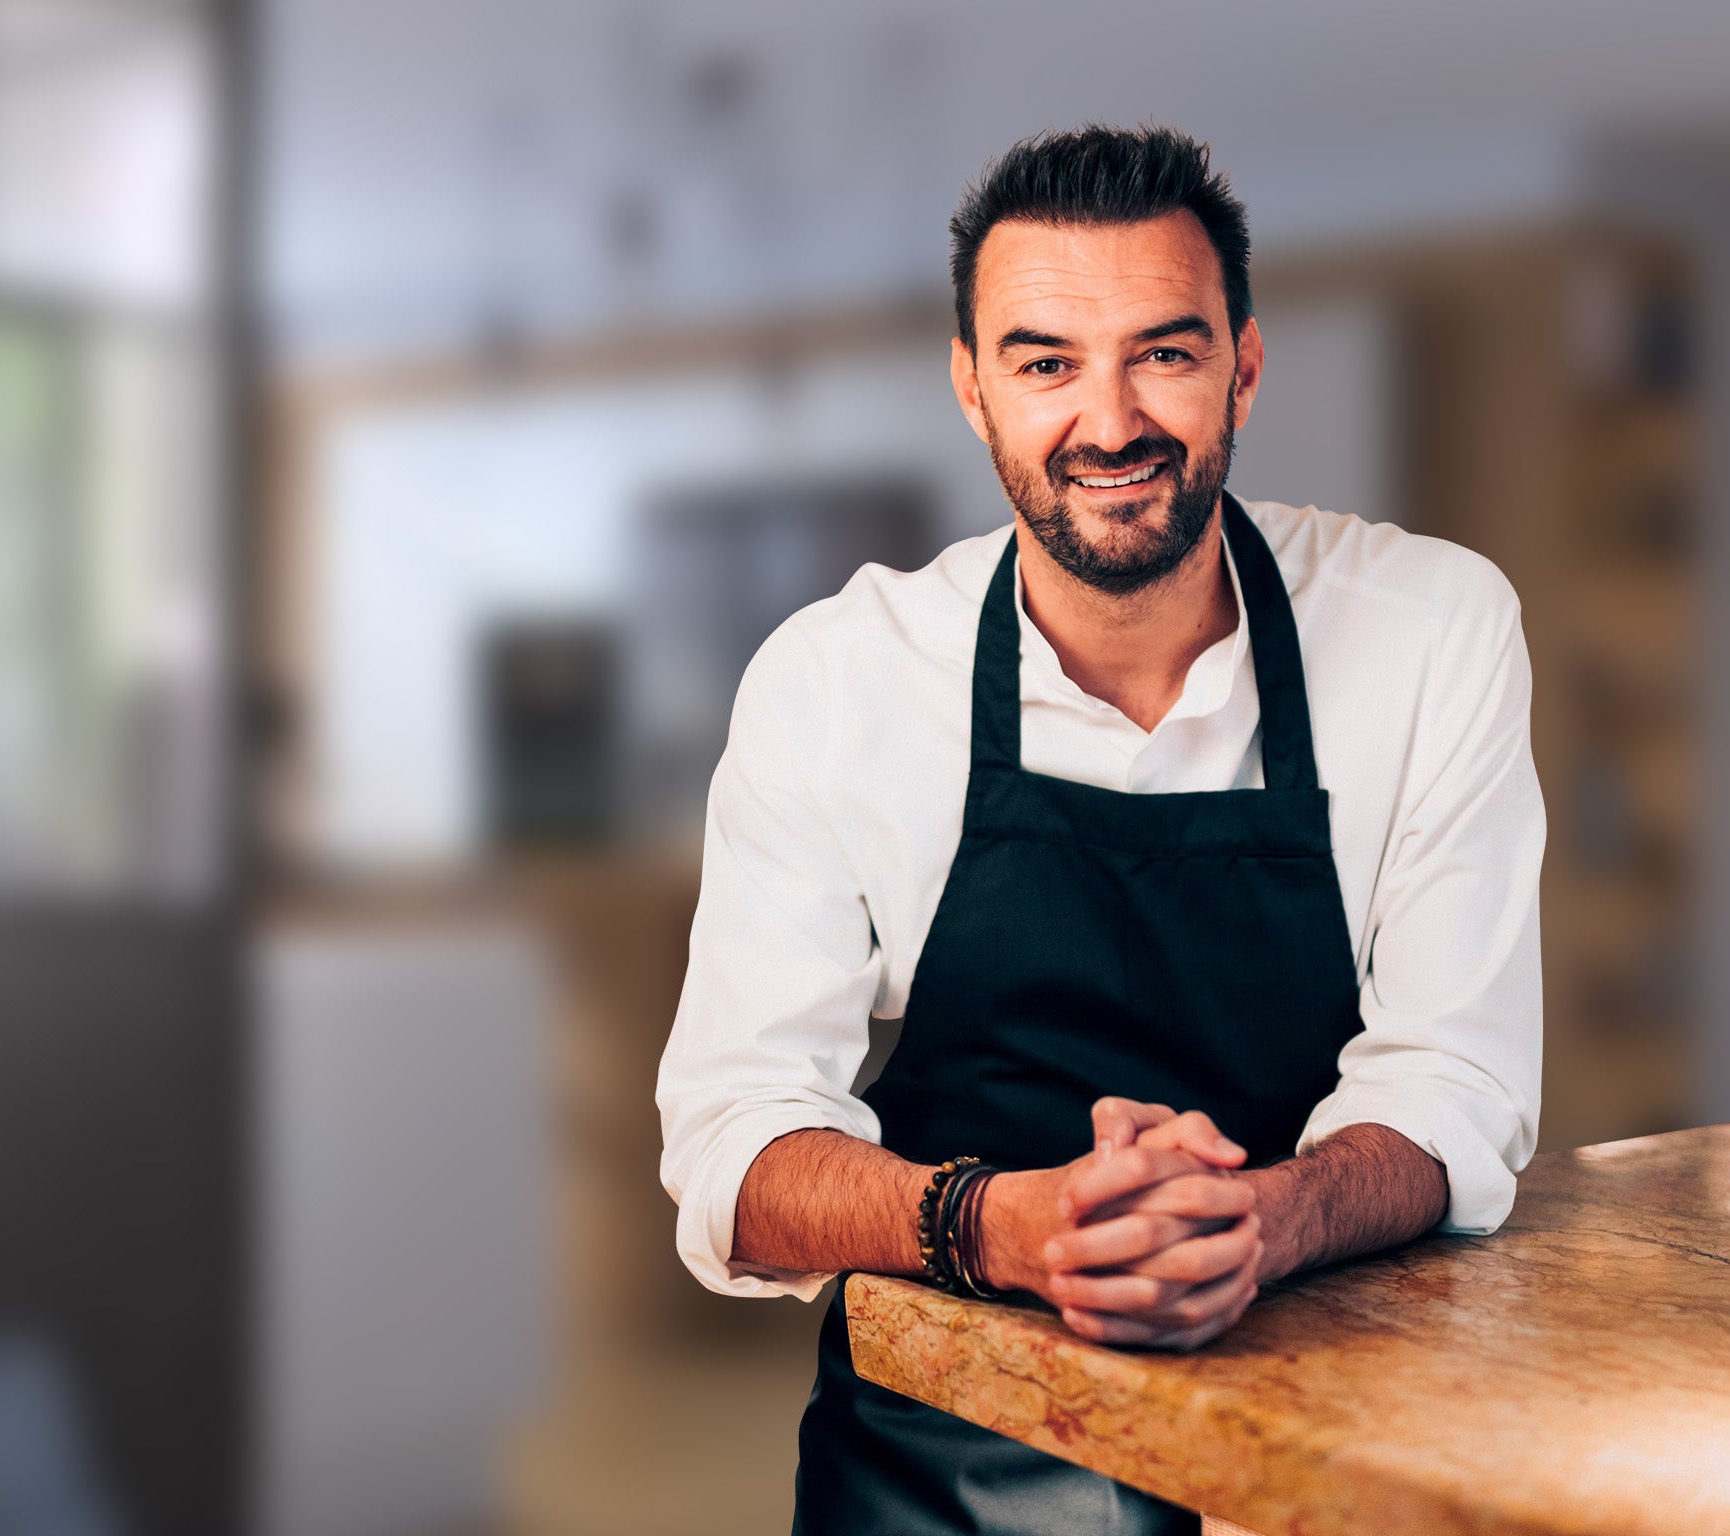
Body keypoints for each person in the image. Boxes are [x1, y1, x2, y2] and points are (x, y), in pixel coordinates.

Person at [653, 124, 1542, 1535]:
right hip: (940, 1465)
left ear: (1245, 363)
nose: (1110, 420)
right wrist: (1002, 1223)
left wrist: (1268, 1217)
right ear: (972, 386)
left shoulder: (1435, 631)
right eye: (1047, 361)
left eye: (1165, 354)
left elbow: (1459, 1081)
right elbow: (733, 1144)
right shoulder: (837, 678)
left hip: (1322, 1435)